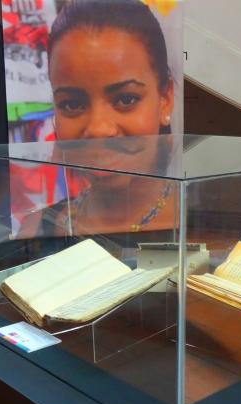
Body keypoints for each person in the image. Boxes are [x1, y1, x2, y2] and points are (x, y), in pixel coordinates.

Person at [17, 0, 179, 238]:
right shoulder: (38, 228)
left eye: (126, 99)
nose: (98, 129)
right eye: (72, 104)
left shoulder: (204, 224)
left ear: (165, 99)